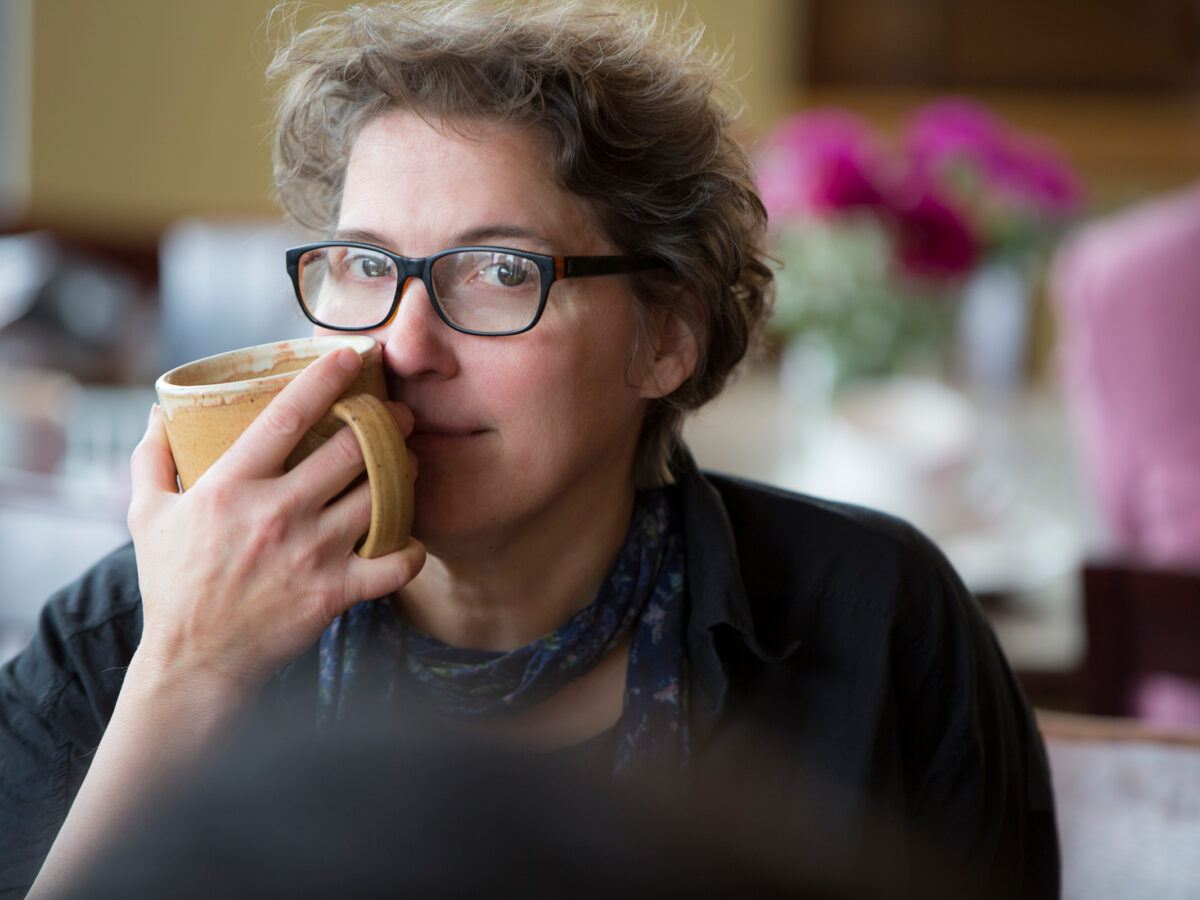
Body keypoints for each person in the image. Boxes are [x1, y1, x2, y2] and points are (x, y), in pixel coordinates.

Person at [0, 2, 1057, 897]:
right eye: (364, 266)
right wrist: (187, 674)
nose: (404, 346)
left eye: (500, 272)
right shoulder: (138, 630)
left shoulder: (880, 625)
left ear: (666, 335)